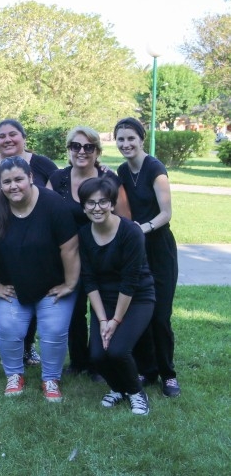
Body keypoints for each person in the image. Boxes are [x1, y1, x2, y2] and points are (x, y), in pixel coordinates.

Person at [0, 156, 79, 402]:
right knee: (9, 329)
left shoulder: (52, 204)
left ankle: (51, 378)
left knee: (53, 330)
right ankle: (14, 375)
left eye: (19, 179)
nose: (14, 186)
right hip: (14, 287)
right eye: (7, 181)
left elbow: (70, 247)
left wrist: (71, 283)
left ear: (31, 178)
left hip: (52, 286)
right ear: (1, 184)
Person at [0, 118, 58, 366]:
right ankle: (16, 346)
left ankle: (28, 347)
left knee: (37, 297)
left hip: (39, 251)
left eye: (12, 135)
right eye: (1, 136)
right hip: (1, 252)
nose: (7, 140)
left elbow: (63, 189)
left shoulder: (42, 165)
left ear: (24, 137)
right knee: (9, 301)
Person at [46, 126, 125, 379]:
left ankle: (98, 362)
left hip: (102, 254)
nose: (82, 151)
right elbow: (45, 216)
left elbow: (125, 220)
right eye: (75, 146)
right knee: (75, 309)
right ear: (68, 150)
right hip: (67, 256)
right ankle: (79, 361)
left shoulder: (109, 179)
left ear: (97, 151)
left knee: (102, 308)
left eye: (88, 147)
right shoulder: (57, 178)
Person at [114, 117, 180, 398]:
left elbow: (166, 213)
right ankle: (147, 369)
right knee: (138, 311)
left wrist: (143, 228)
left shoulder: (155, 168)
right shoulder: (121, 170)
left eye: (131, 138)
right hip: (135, 251)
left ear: (142, 139)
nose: (126, 144)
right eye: (121, 139)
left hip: (159, 248)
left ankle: (168, 374)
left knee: (160, 315)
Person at [78, 176, 155, 415]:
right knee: (98, 356)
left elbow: (130, 281)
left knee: (118, 351)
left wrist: (115, 321)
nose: (97, 208)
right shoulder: (84, 234)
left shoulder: (131, 232)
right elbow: (89, 280)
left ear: (112, 204)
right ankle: (118, 388)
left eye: (103, 202)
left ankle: (136, 392)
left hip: (138, 297)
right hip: (105, 300)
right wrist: (102, 320)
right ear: (83, 206)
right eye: (90, 203)